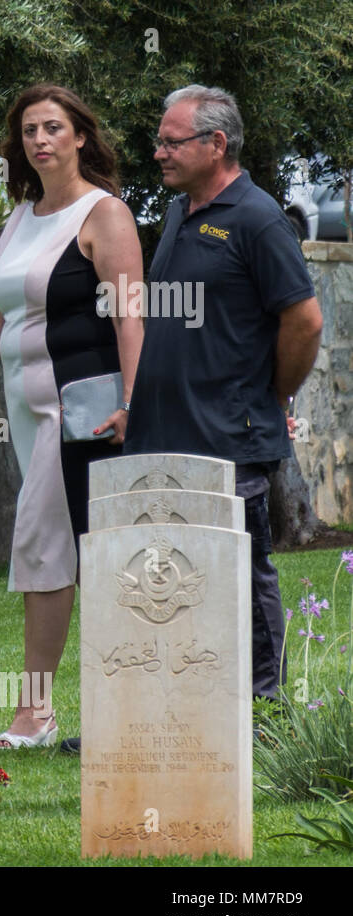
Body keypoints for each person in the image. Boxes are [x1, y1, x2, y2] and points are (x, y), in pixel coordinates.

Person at [0, 85, 145, 749]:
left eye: (53, 127)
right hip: (24, 408)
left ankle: (35, 714)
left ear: (80, 136)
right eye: (28, 131)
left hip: (82, 408)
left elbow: (131, 314)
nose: (40, 140)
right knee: (62, 545)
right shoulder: (21, 217)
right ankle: (90, 704)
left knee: (43, 542)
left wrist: (132, 402)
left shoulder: (105, 215)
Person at [125, 85, 323, 701]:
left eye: (171, 140)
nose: (159, 152)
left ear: (216, 144)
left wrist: (273, 393)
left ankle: (265, 706)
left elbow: (305, 319)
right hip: (162, 437)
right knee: (164, 578)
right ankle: (168, 710)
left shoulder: (258, 218)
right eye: (158, 140)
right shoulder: (179, 216)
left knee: (240, 572)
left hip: (228, 438)